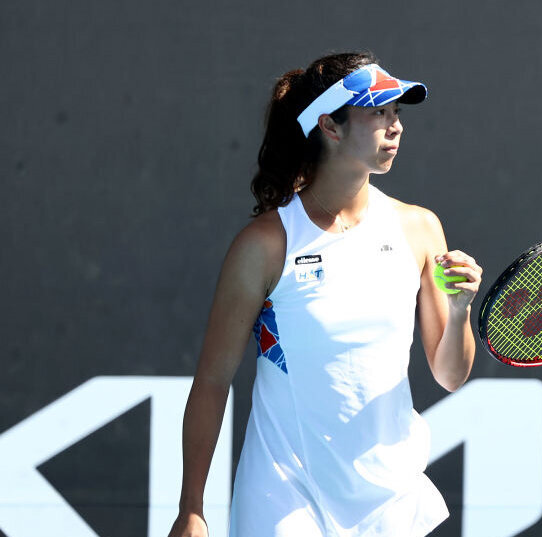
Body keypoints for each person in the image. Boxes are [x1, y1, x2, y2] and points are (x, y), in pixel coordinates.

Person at [168, 52, 482, 537]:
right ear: (330, 127)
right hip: (283, 498)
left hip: (391, 502)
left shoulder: (420, 228)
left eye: (396, 112)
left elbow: (450, 375)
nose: (395, 126)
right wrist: (192, 508)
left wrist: (460, 310)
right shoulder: (265, 245)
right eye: (378, 112)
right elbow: (212, 382)